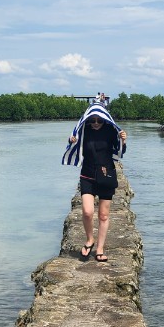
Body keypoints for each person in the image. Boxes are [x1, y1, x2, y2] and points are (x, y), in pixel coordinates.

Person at [63, 104, 127, 262]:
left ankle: (100, 248)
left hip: (106, 175)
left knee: (104, 216)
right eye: (93, 120)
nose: (96, 123)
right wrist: (71, 140)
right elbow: (74, 144)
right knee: (87, 212)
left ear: (105, 119)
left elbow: (119, 152)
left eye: (99, 120)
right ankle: (89, 240)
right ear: (88, 119)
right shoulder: (84, 130)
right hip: (87, 175)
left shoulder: (111, 130)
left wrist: (123, 141)